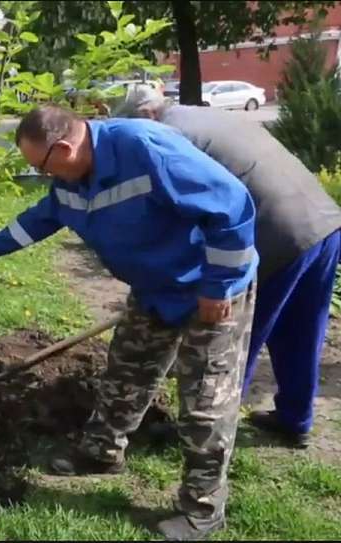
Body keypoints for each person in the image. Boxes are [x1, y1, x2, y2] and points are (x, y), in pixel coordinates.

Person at [0, 106, 258, 540]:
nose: (44, 177)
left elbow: (230, 207)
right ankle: (101, 452)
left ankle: (203, 509)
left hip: (208, 290)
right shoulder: (70, 180)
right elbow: (45, 216)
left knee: (205, 402)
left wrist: (219, 285)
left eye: (41, 167)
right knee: (126, 372)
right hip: (153, 289)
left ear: (64, 147)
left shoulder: (145, 148)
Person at [116, 86, 341, 448]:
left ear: (146, 117)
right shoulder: (203, 115)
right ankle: (295, 420)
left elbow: (191, 211)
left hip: (272, 233)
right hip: (323, 223)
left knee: (233, 339)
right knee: (300, 330)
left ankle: (205, 434)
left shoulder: (171, 137)